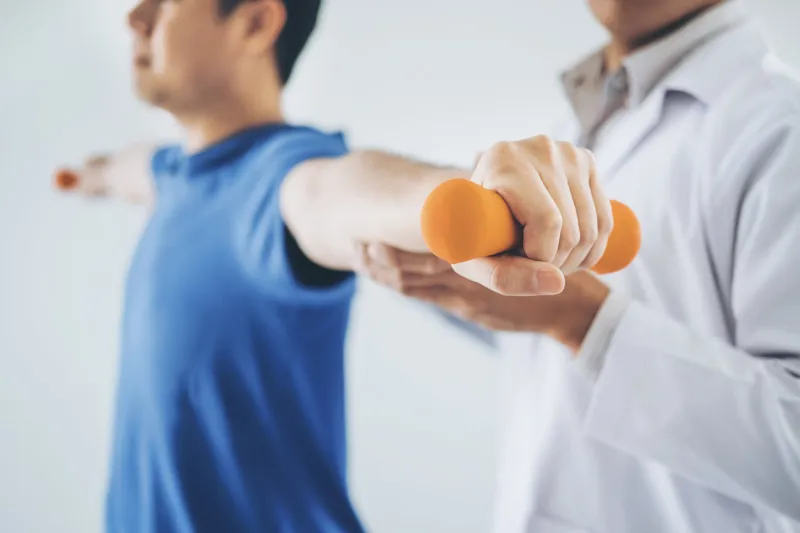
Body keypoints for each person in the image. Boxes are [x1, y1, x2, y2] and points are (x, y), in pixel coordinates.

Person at [54, 0, 615, 531]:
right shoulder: (172, 174)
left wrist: (466, 196)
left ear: (254, 22)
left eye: (167, 2)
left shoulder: (283, 179)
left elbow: (344, 194)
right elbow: (131, 169)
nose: (136, 16)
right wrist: (91, 177)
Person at [358, 0, 800, 532]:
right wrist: (462, 292)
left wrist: (586, 322)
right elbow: (563, 369)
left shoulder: (781, 128)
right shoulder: (578, 123)